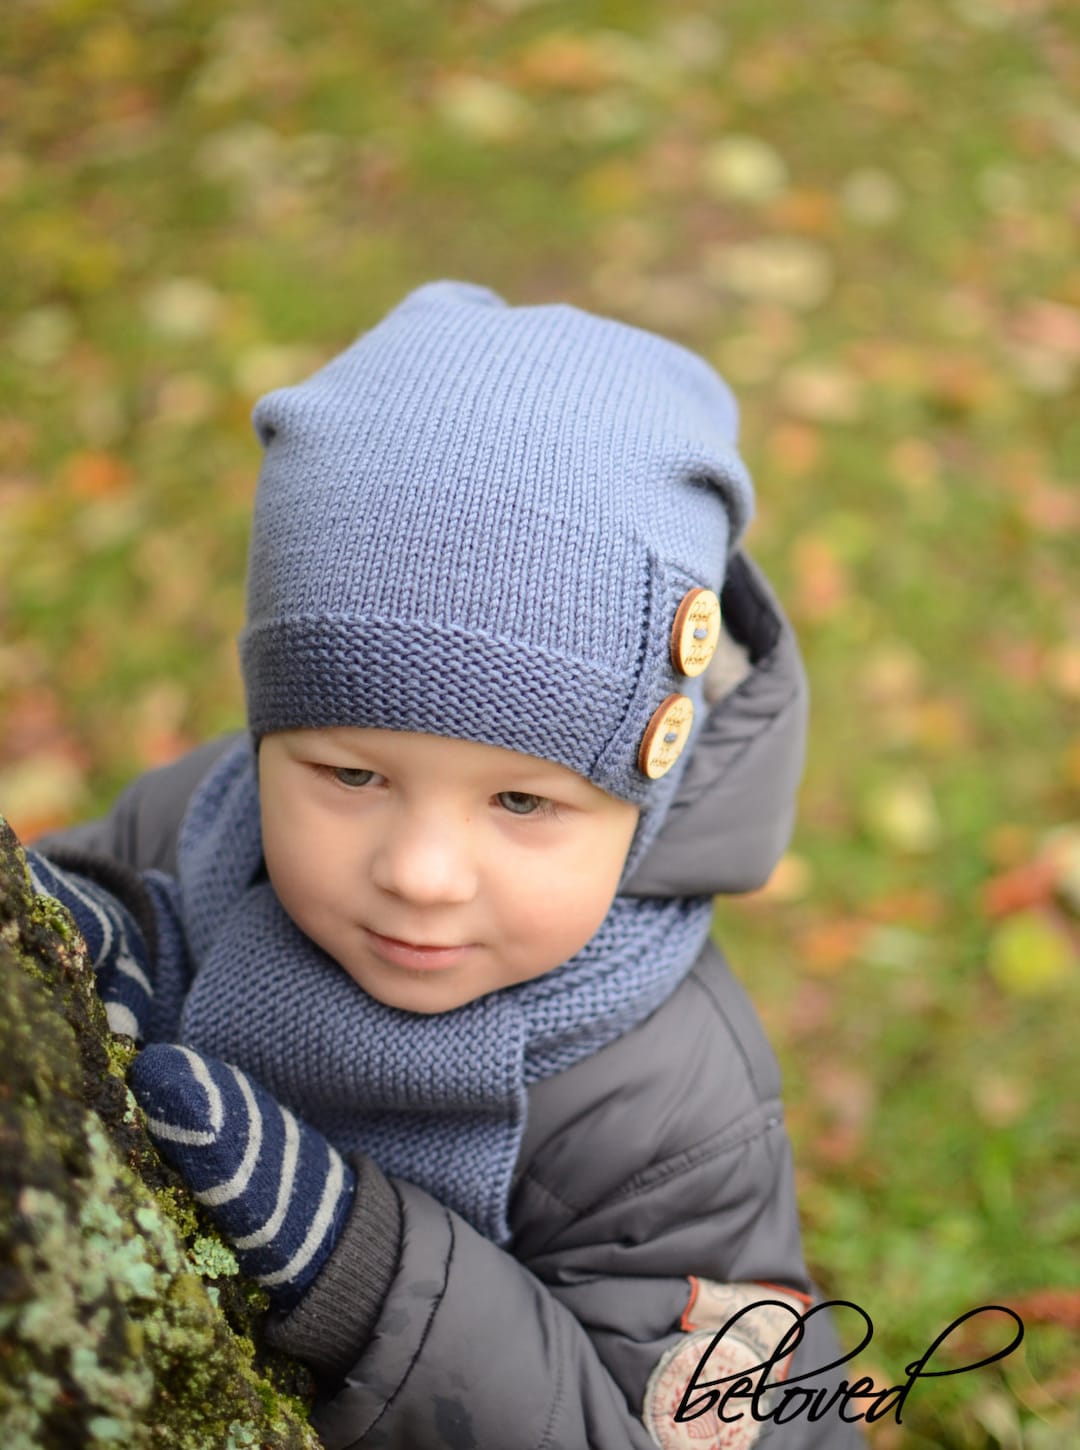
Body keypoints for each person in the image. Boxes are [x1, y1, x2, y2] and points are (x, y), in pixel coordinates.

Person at [26, 281, 867, 1448]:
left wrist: (374, 1280)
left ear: (642, 800)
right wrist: (110, 932)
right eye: (352, 777)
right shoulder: (197, 816)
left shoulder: (666, 1110)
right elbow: (77, 890)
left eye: (523, 799)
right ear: (271, 734)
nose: (422, 872)